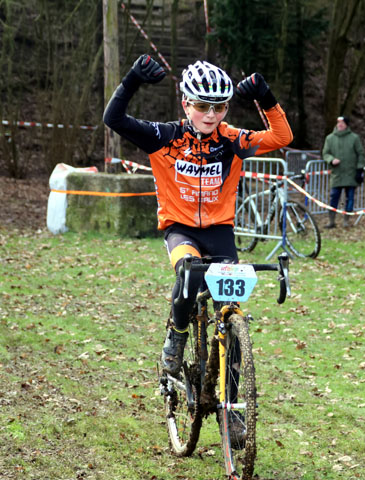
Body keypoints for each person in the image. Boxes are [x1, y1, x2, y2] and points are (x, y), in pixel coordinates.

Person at [103, 54, 292, 441]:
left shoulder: (232, 140)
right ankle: (176, 341)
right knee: (189, 272)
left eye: (219, 107)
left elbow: (282, 137)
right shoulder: (165, 136)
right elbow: (115, 120)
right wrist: (131, 81)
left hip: (220, 232)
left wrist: (267, 99)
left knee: (230, 316)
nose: (211, 114)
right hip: (180, 229)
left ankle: (233, 410)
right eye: (203, 106)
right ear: (186, 103)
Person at [321, 115, 365, 228]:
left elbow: (361, 154)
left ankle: (346, 221)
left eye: (342, 123)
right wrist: (331, 160)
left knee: (349, 198)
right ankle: (331, 221)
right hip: (337, 174)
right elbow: (325, 154)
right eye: (338, 122)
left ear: (346, 125)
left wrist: (359, 170)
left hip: (351, 174)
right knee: (334, 197)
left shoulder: (354, 138)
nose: (340, 125)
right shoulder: (330, 138)